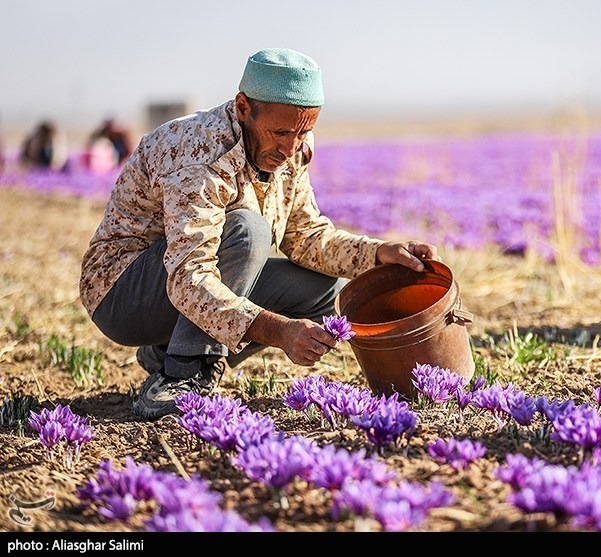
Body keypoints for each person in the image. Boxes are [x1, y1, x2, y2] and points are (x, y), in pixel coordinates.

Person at [79, 48, 438, 420]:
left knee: (327, 293)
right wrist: (279, 331)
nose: (290, 148)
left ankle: (165, 350)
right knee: (247, 230)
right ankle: (181, 372)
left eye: (303, 132)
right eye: (281, 132)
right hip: (123, 293)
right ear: (243, 108)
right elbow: (189, 276)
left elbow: (306, 236)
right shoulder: (199, 154)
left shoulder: (293, 146)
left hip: (181, 288)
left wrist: (379, 254)